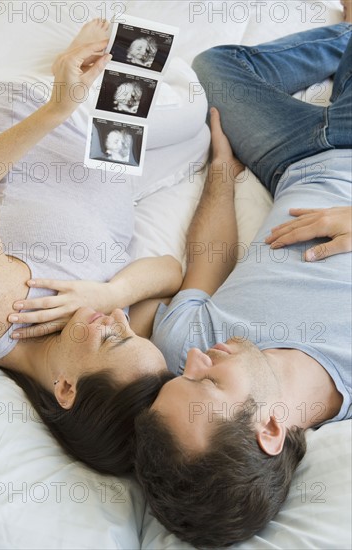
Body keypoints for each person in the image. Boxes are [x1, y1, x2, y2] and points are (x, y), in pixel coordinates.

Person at [134, 14, 352, 548]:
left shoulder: (187, 347)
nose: (192, 361)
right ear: (271, 429)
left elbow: (210, 256)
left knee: (213, 68)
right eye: (207, 381)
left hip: (287, 159)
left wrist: (221, 169)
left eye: (180, 377)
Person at [0, 19, 181, 475]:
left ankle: (70, 68)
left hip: (40, 113)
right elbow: (170, 271)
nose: (120, 322)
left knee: (194, 86)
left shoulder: (1, 306)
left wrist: (58, 105)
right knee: (202, 119)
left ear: (66, 389)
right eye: (130, 330)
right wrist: (114, 293)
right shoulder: (109, 333)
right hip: (112, 148)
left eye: (115, 337)